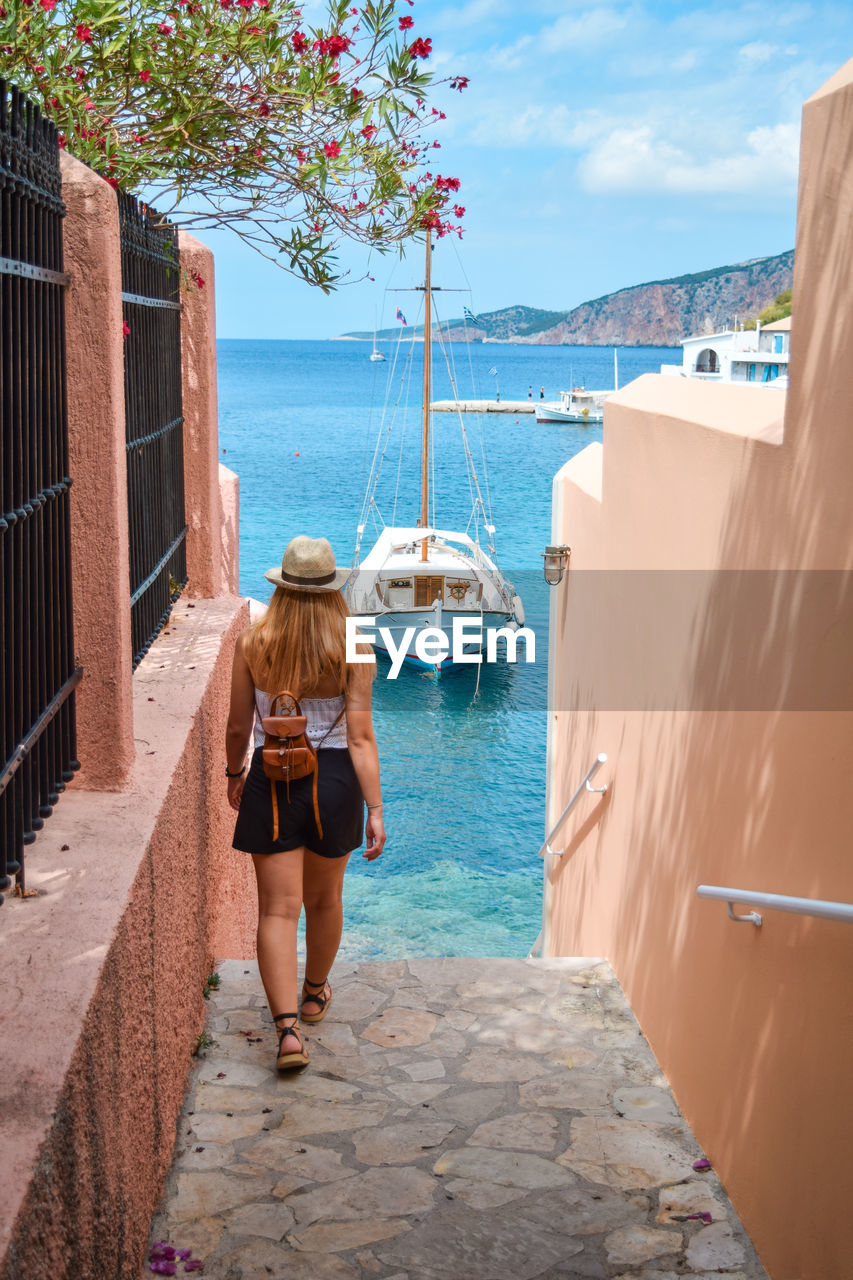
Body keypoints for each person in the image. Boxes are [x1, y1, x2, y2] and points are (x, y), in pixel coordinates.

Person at [225, 535, 385, 1072]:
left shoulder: (254, 643)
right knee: (324, 900)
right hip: (335, 781)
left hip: (270, 778)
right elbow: (360, 736)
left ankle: (288, 1033)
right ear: (331, 590)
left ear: (283, 589)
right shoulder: (354, 643)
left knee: (276, 910)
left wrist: (234, 773)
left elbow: (237, 724)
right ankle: (315, 994)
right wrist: (376, 808)